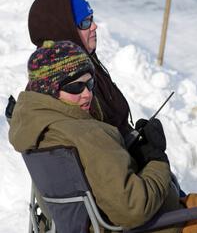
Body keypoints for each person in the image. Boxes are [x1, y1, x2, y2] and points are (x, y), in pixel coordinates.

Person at [9, 40, 184, 233]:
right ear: (50, 90)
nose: (87, 94)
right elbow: (133, 209)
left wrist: (129, 149)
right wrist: (157, 158)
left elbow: (94, 168)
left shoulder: (37, 126)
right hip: (159, 223)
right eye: (76, 87)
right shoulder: (87, 134)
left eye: (90, 83)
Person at [28, 0, 134, 147]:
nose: (94, 26)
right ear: (63, 30)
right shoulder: (66, 85)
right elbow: (99, 150)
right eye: (84, 23)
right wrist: (153, 157)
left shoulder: (84, 66)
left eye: (91, 19)